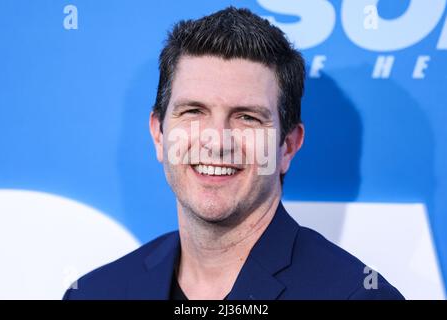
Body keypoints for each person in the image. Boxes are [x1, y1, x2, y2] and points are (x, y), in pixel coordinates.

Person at [63, 7, 404, 300]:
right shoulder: (96, 291)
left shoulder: (354, 296)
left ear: (287, 146)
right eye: (193, 111)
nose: (217, 141)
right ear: (158, 133)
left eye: (247, 117)